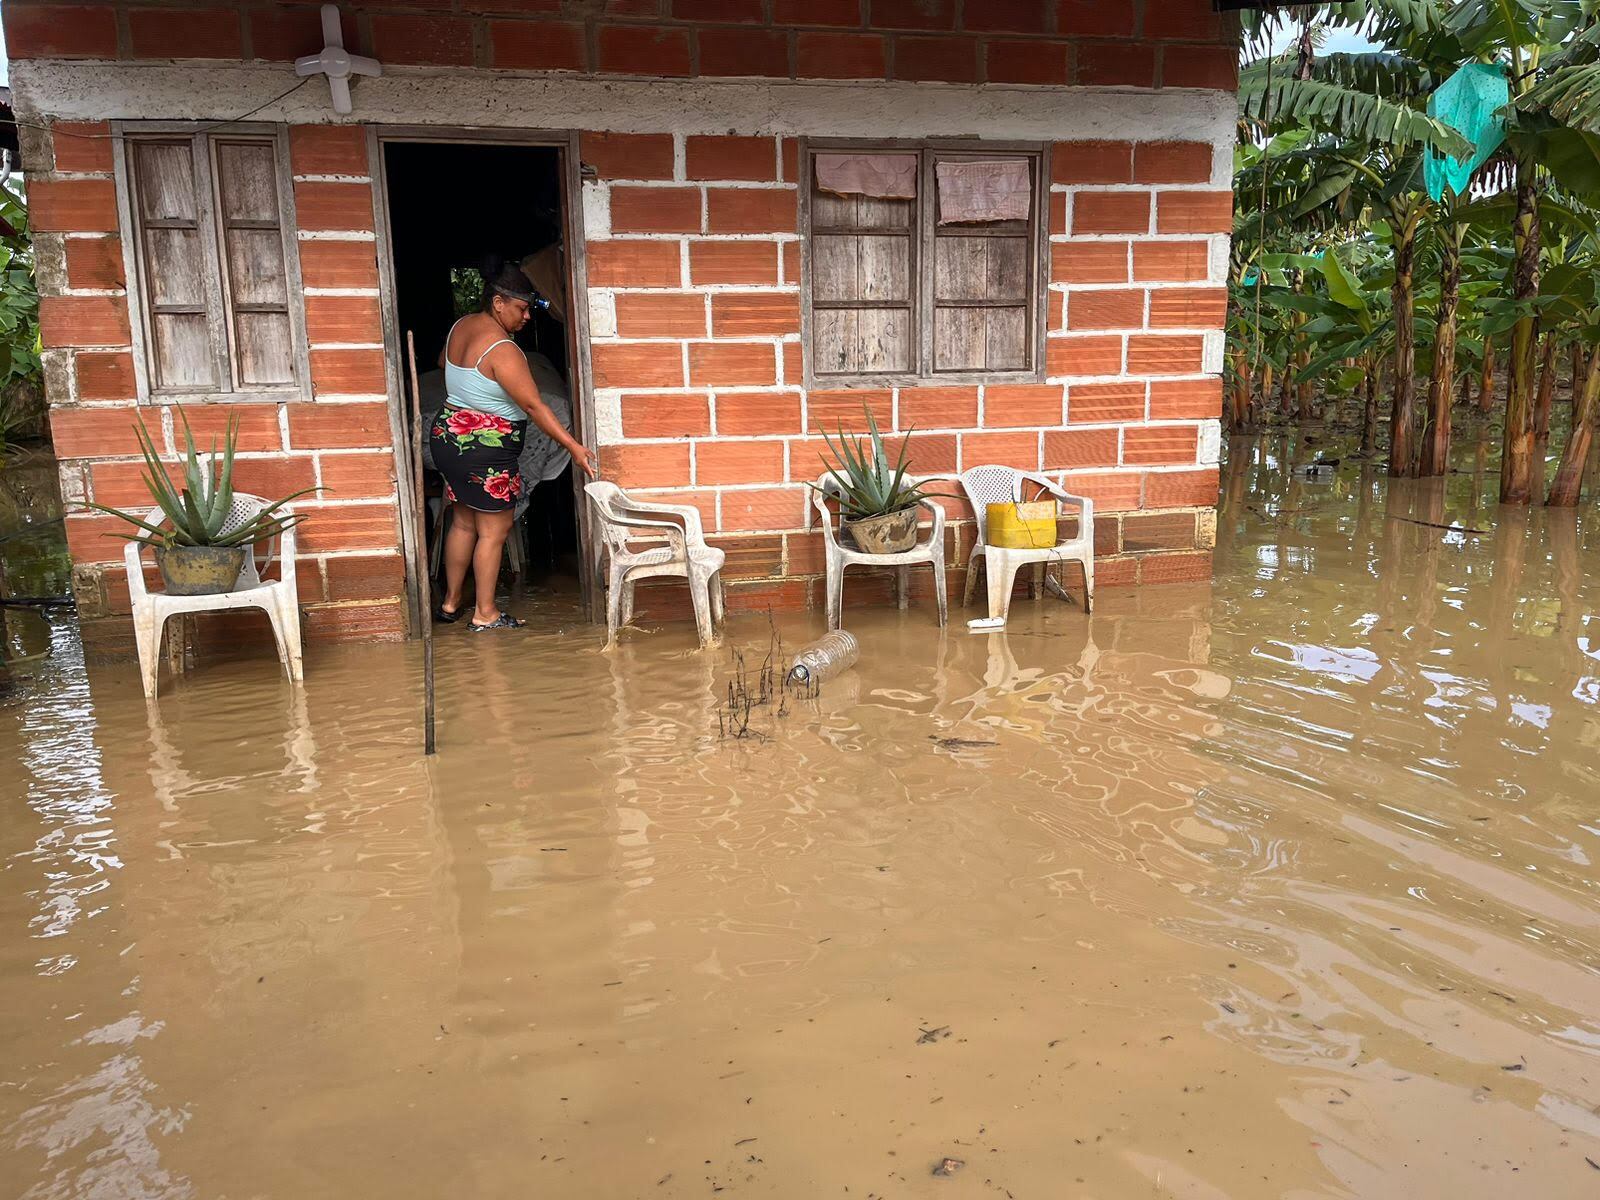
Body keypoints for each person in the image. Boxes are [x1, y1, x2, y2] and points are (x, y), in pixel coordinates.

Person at [430, 257, 595, 631]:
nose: (526, 317)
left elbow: (444, 362)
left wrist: (475, 392)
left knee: (464, 523)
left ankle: (451, 602)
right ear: (498, 301)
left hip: (448, 437)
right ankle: (485, 613)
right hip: (484, 449)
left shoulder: (461, 326)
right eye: (520, 308)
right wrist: (573, 446)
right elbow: (534, 405)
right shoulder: (502, 349)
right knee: (495, 530)